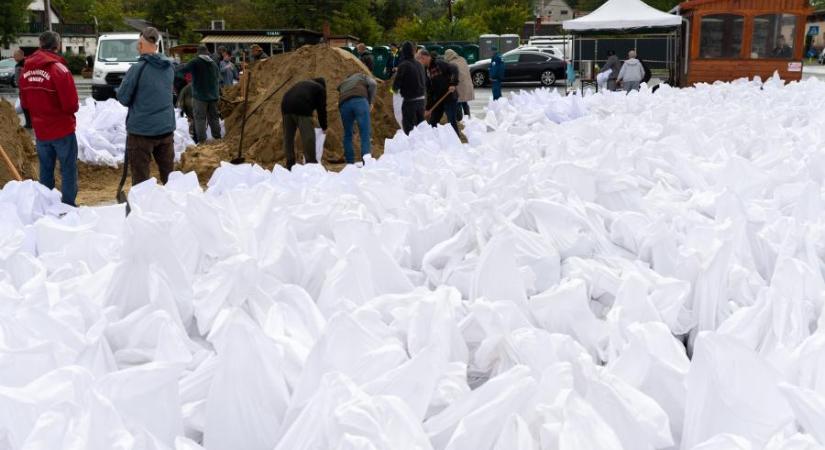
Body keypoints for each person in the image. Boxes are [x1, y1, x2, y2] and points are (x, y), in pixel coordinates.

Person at [19, 31, 79, 206]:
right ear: (57, 45)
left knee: (45, 169)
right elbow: (71, 105)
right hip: (62, 130)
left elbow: (25, 103)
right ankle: (68, 207)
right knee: (68, 169)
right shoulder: (59, 69)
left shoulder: (26, 70)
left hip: (41, 131)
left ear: (40, 44)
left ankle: (46, 205)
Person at [117, 27, 176, 186]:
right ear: (156, 45)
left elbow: (123, 98)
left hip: (141, 132)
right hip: (166, 129)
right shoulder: (169, 67)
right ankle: (174, 205)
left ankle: (142, 207)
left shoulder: (137, 69)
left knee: (141, 179)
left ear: (141, 45)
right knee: (169, 176)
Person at [281, 78, 327, 169]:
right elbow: (321, 110)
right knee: (308, 136)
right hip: (301, 106)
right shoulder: (320, 89)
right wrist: (324, 126)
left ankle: (290, 163)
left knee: (288, 136)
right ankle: (311, 163)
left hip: (285, 104)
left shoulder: (303, 84)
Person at [178, 45, 221, 144]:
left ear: (198, 53)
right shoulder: (213, 63)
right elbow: (218, 78)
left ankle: (202, 141)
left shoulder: (195, 61)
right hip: (214, 96)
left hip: (200, 96)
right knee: (214, 117)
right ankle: (218, 138)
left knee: (200, 118)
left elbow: (182, 71)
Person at [337, 73, 376, 165]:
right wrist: (370, 102)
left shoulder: (343, 83)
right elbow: (373, 83)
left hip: (343, 105)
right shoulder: (361, 76)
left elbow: (348, 101)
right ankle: (366, 163)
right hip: (360, 101)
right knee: (365, 133)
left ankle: (350, 164)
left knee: (347, 135)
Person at [417, 49, 459, 135]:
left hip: (449, 97)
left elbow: (454, 68)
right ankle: (434, 140)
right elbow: (430, 91)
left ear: (424, 58)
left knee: (451, 120)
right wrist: (428, 109)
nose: (418, 62)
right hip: (438, 99)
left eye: (419, 59)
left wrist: (452, 83)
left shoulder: (438, 64)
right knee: (433, 121)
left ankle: (456, 141)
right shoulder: (426, 70)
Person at [392, 41, 427, 135]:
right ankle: (424, 146)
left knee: (409, 127)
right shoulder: (419, 65)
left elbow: (396, 84)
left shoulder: (404, 65)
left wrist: (393, 90)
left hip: (410, 101)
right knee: (421, 125)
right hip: (421, 101)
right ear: (413, 51)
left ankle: (412, 147)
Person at [444, 49, 473, 120]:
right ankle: (468, 117)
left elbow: (452, 76)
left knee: (458, 101)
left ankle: (459, 119)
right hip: (467, 83)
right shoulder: (462, 59)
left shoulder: (451, 63)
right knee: (464, 101)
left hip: (459, 85)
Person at [13, 49, 31, 129]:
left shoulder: (21, 65)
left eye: (15, 56)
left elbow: (19, 79)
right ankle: (30, 123)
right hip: (26, 89)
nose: (14, 57)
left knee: (25, 106)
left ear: (20, 55)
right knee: (27, 106)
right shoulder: (28, 62)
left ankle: (29, 123)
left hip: (24, 90)